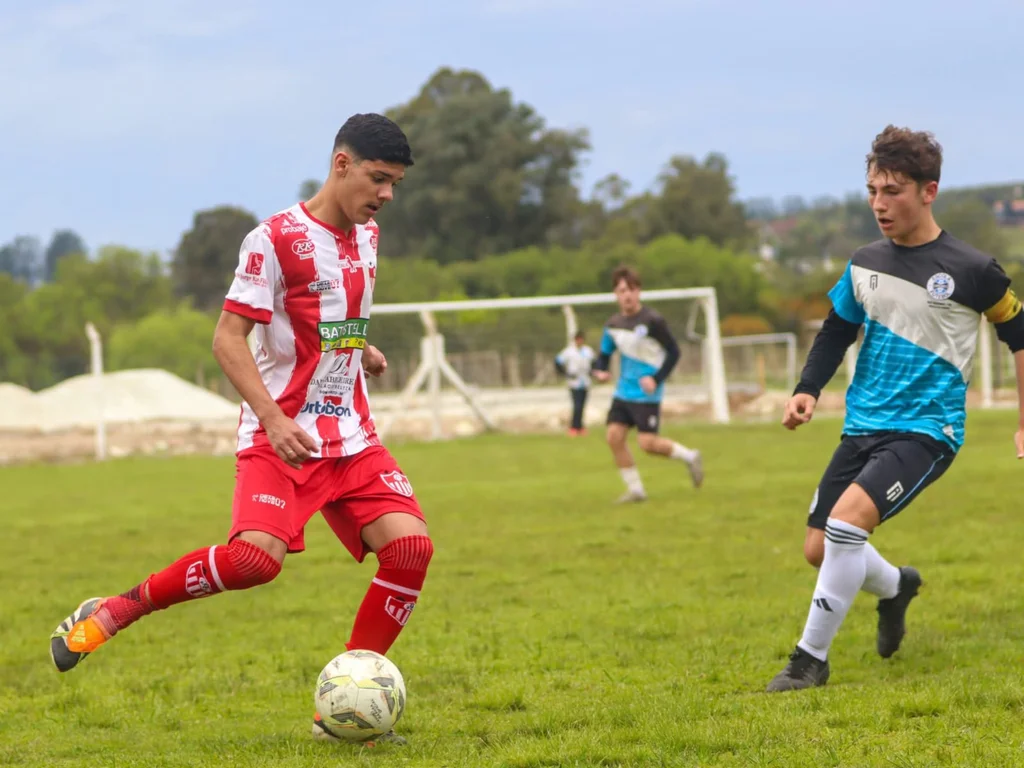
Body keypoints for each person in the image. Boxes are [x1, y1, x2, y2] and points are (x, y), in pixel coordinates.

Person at [49, 114, 432, 744]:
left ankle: (345, 702)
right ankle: (118, 609)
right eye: (378, 178)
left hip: (352, 436)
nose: (386, 194)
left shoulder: (369, 236)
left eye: (394, 184)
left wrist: (361, 349)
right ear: (341, 164)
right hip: (280, 436)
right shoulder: (273, 239)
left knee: (411, 549)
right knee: (255, 562)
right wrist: (275, 418)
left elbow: (332, 317)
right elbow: (229, 339)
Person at [766, 125, 1024, 693]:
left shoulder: (974, 269)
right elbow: (837, 329)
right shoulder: (863, 262)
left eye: (894, 191)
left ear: (929, 191)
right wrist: (807, 388)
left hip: (928, 431)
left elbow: (1019, 334)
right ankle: (896, 587)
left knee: (843, 525)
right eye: (873, 191)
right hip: (862, 427)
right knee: (820, 549)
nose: (880, 205)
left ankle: (810, 660)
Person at [591, 265, 704, 502]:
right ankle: (636, 490)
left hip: (646, 393)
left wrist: (656, 378)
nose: (628, 295)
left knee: (647, 443)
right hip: (623, 392)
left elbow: (674, 352)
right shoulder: (612, 325)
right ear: (616, 294)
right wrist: (599, 371)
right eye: (622, 290)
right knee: (613, 436)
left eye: (632, 289)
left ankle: (690, 456)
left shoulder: (653, 321)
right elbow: (603, 355)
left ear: (639, 291)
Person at [554, 330, 595, 435]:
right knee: (576, 405)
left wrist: (593, 373)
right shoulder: (569, 351)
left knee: (582, 405)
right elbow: (558, 361)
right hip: (574, 382)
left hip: (585, 381)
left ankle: (580, 427)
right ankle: (574, 427)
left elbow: (594, 363)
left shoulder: (588, 351)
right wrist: (565, 374)